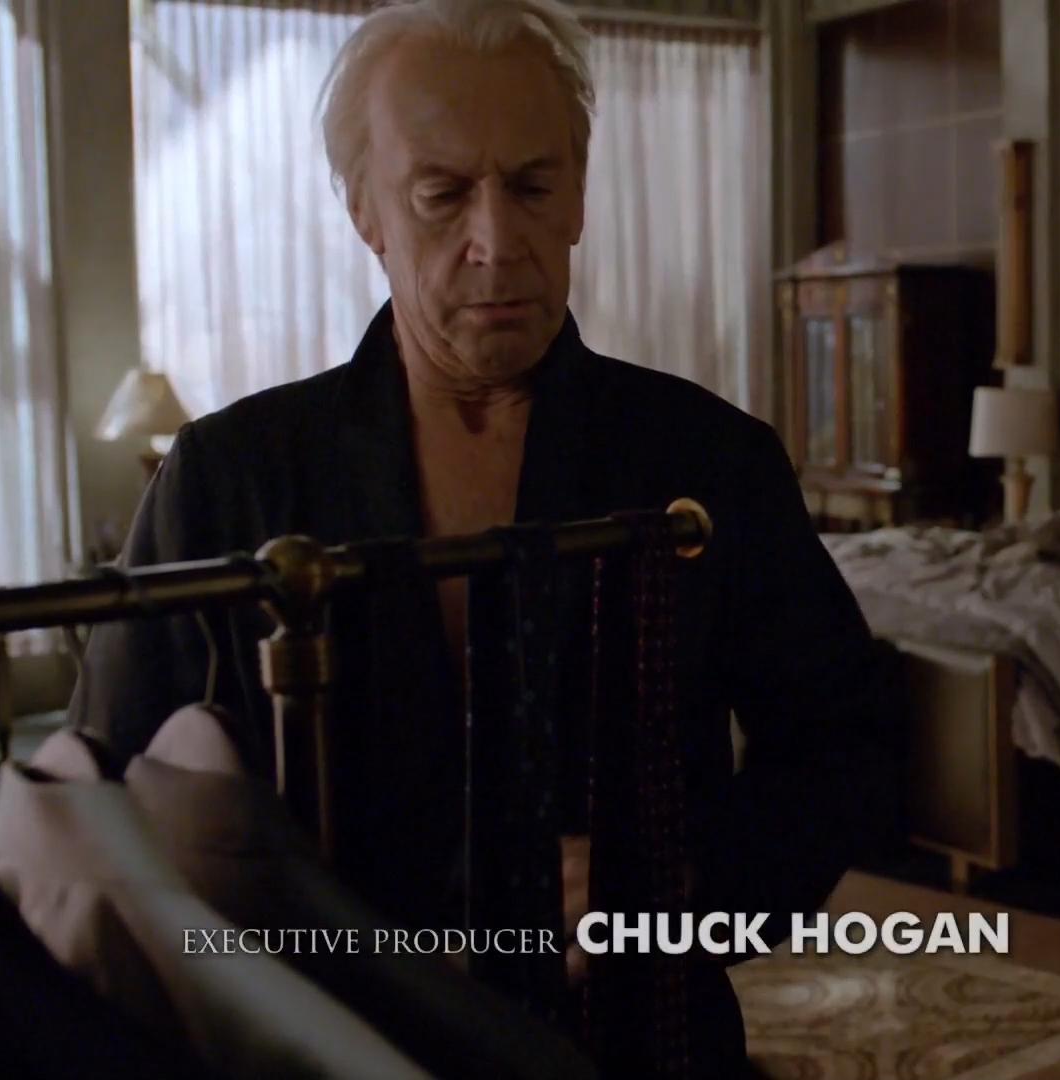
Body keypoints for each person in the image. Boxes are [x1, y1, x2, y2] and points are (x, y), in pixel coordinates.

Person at [63, 1, 898, 1075]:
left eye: (534, 187)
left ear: (580, 194)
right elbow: (102, 809)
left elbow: (847, 747)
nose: (498, 243)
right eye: (443, 193)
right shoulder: (229, 476)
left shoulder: (706, 459)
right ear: (366, 210)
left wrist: (678, 873)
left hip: (635, 1047)